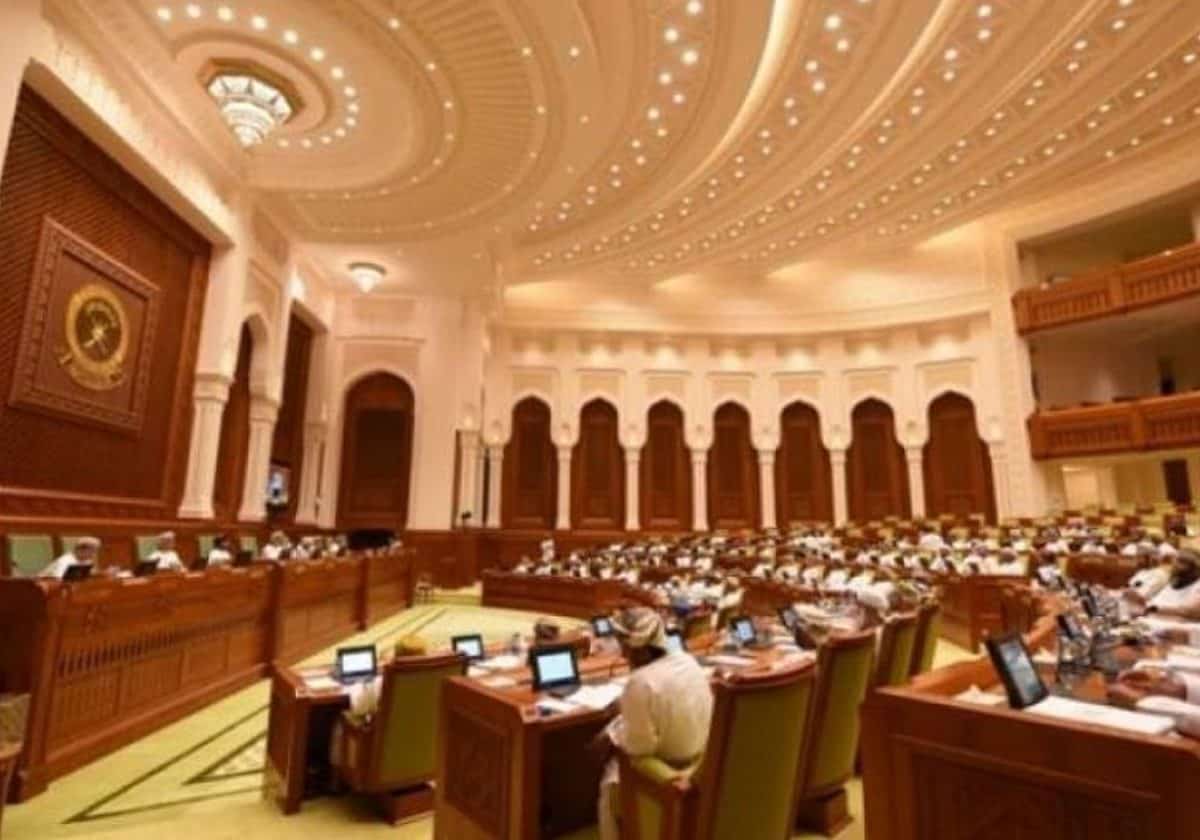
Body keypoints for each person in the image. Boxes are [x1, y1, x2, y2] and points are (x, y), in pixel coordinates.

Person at [594, 608, 713, 840]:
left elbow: (639, 749)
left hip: (664, 775)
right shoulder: (688, 661)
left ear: (631, 647)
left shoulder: (640, 682)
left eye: (623, 645)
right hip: (699, 764)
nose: (622, 653)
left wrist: (612, 735)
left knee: (608, 779)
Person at [1147, 550, 1200, 620]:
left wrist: (1154, 608)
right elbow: (1155, 600)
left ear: (1193, 567)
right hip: (1151, 619)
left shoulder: (1197, 586)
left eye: (1181, 562)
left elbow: (1188, 611)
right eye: (1175, 561)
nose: (1175, 565)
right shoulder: (1174, 580)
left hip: (1178, 624)